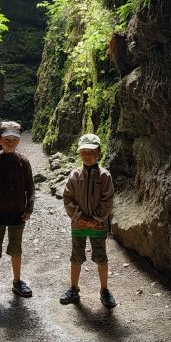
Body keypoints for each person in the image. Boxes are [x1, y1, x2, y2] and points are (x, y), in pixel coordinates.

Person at [60, 132, 117, 309]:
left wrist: (95, 219)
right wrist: (79, 217)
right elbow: (67, 198)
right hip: (78, 225)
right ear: (79, 153)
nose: (87, 155)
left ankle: (104, 290)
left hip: (98, 225)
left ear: (98, 153)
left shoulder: (104, 176)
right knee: (76, 255)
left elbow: (108, 201)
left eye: (91, 152)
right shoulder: (75, 175)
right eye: (84, 152)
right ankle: (73, 289)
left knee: (101, 256)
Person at [0, 120, 35, 304]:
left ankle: (17, 282)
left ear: (19, 140)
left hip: (17, 214)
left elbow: (31, 188)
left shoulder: (23, 162)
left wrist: (29, 209)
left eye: (14, 140)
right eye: (7, 140)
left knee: (16, 248)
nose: (10, 143)